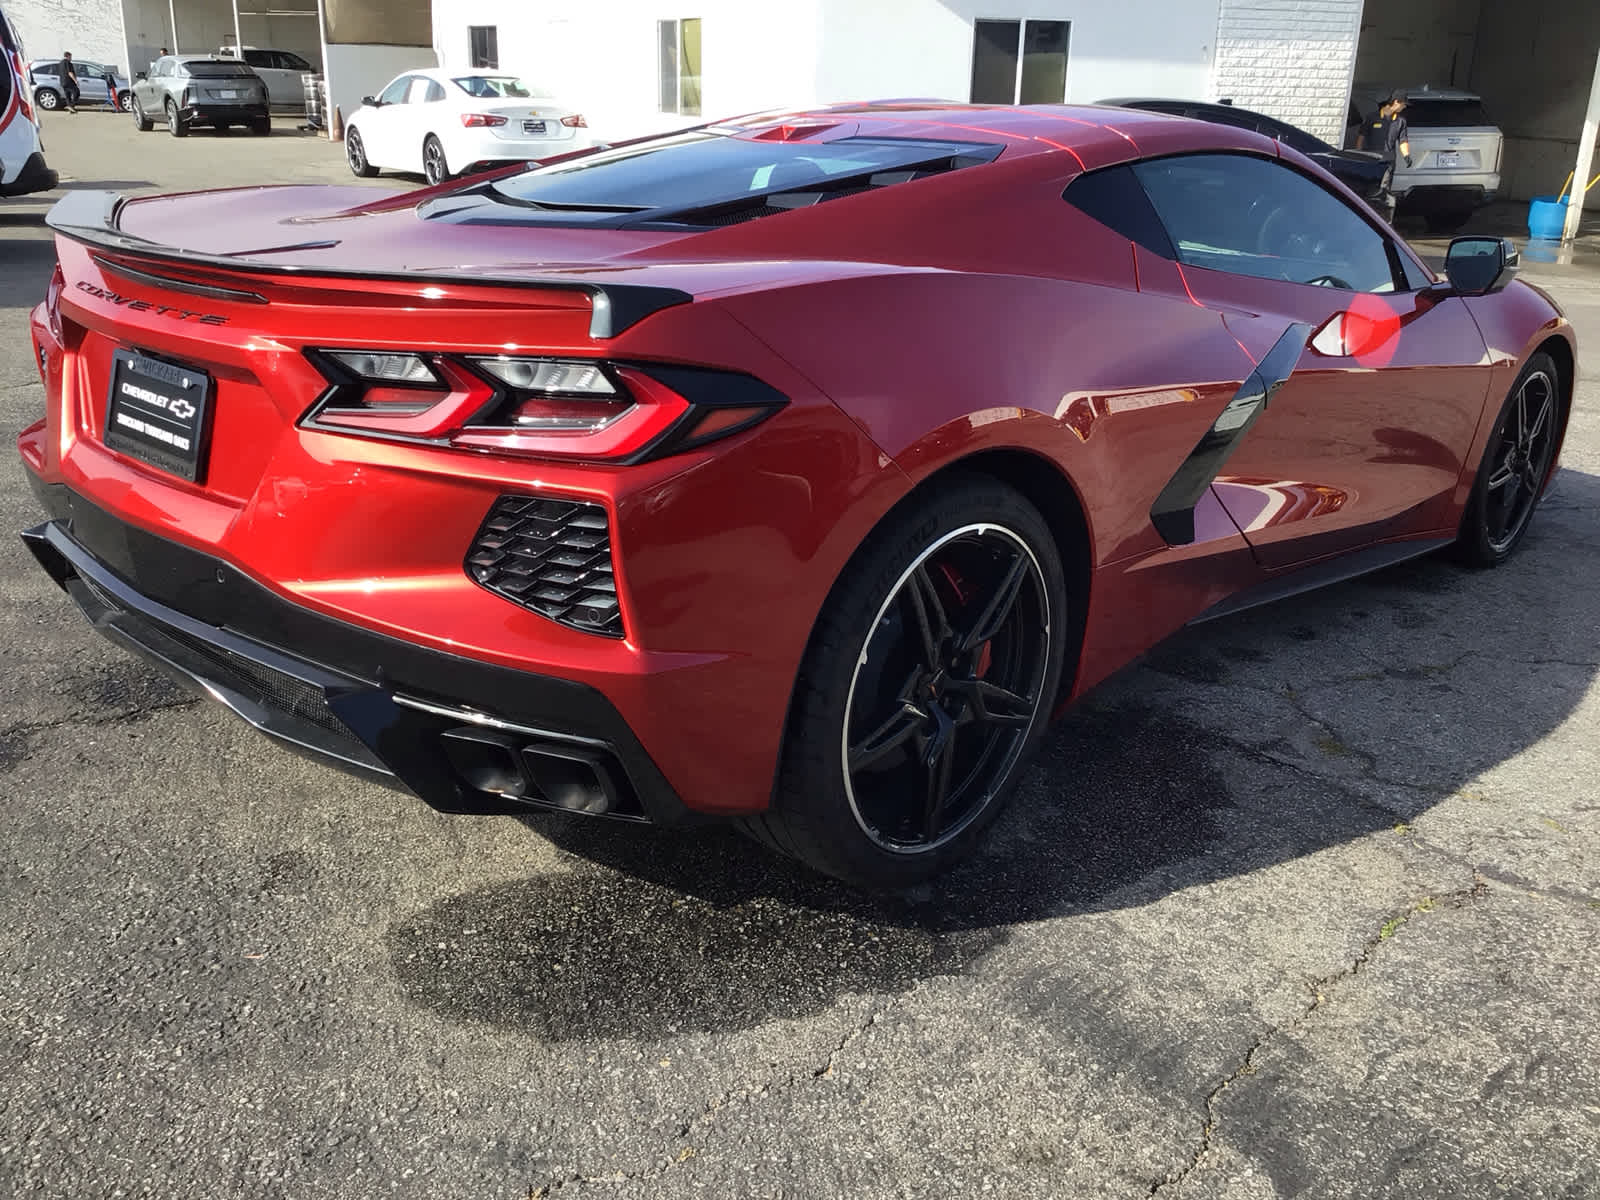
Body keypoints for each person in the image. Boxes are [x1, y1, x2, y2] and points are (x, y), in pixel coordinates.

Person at [1360, 89, 1413, 223]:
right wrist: (1358, 155)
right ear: (1396, 102)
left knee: (1384, 193)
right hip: (1370, 161)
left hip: (1388, 164)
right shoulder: (1372, 117)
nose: (1405, 107)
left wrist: (1406, 155)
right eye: (1404, 104)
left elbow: (1403, 140)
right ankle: (1365, 218)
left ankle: (1382, 221)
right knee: (1368, 191)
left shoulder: (1401, 121)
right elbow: (1361, 137)